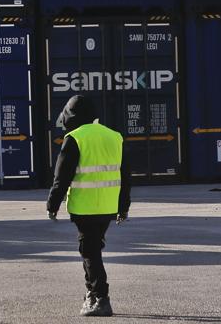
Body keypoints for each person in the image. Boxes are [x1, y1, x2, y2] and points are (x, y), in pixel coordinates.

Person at [46, 94, 131, 318]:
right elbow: (125, 175)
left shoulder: (75, 138)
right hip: (108, 206)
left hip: (85, 207)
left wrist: (52, 204)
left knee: (90, 251)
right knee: (91, 248)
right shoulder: (115, 136)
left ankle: (100, 297)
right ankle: (91, 294)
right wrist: (124, 207)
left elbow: (62, 176)